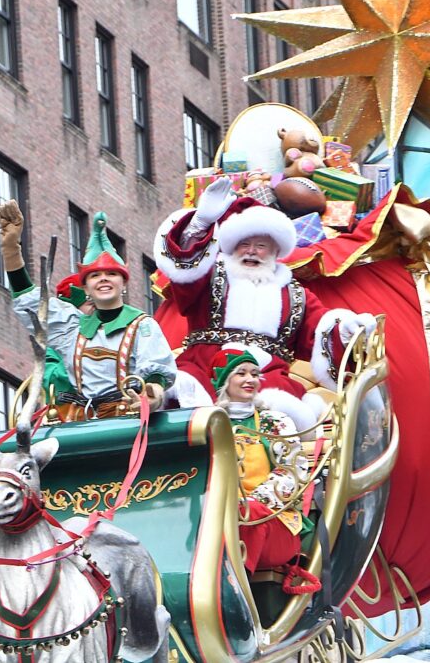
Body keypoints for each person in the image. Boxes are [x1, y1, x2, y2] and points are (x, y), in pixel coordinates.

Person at [153, 176, 375, 430]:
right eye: (244, 244)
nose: (251, 251)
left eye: (261, 246)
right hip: (205, 369)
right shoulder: (209, 276)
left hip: (267, 379)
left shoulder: (295, 294)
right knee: (181, 393)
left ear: (275, 252)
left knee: (288, 413)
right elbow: (185, 268)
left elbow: (321, 334)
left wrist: (347, 329)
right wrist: (200, 225)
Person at [0, 199, 176, 420]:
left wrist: (153, 393)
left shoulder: (142, 325)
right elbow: (29, 299)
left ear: (124, 283)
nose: (103, 279)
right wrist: (11, 250)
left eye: (111, 274)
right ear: (86, 287)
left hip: (127, 422)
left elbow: (156, 371)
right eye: (95, 275)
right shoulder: (71, 327)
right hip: (82, 425)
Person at [211, 345, 312, 573]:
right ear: (224, 381)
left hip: (273, 523)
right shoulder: (211, 426)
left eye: (255, 374)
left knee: (250, 512)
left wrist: (247, 504)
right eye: (242, 373)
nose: (251, 379)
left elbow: (292, 472)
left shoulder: (274, 421)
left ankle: (236, 584)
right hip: (223, 520)